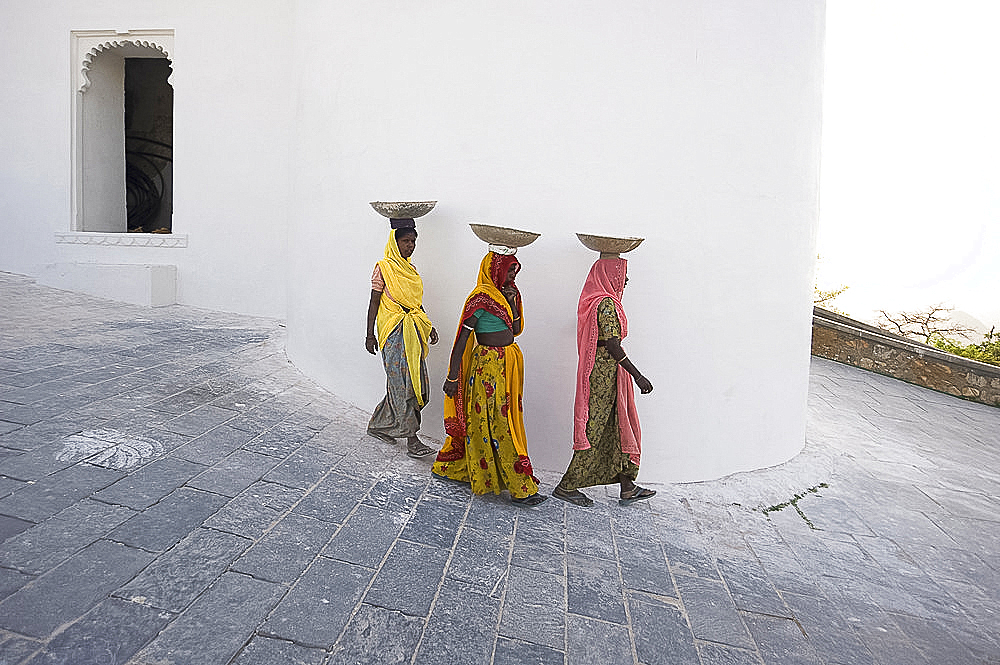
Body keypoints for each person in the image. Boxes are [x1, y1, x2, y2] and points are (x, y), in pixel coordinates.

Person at [431, 251, 547, 506]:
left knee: (500, 421)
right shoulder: (480, 298)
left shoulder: (508, 296)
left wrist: (513, 303)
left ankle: (478, 471)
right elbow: (462, 338)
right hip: (488, 368)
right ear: (495, 271)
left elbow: (516, 330)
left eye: (515, 272)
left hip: (508, 364)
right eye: (508, 271)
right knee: (497, 422)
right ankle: (520, 487)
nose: (512, 277)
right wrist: (452, 377)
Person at [553, 256, 655, 506]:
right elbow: (613, 345)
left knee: (616, 425)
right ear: (609, 275)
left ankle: (627, 486)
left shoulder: (596, 300)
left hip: (606, 374)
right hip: (603, 376)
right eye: (622, 274)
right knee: (595, 428)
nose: (626, 279)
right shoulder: (607, 304)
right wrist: (638, 375)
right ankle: (567, 486)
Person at [366, 219, 439, 458]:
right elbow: (374, 302)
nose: (411, 245)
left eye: (413, 241)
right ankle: (412, 439)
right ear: (395, 242)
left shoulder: (411, 270)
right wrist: (369, 335)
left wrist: (429, 326)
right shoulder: (384, 267)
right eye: (406, 241)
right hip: (393, 331)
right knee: (404, 385)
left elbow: (415, 304)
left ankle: (379, 425)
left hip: (413, 330)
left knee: (415, 384)